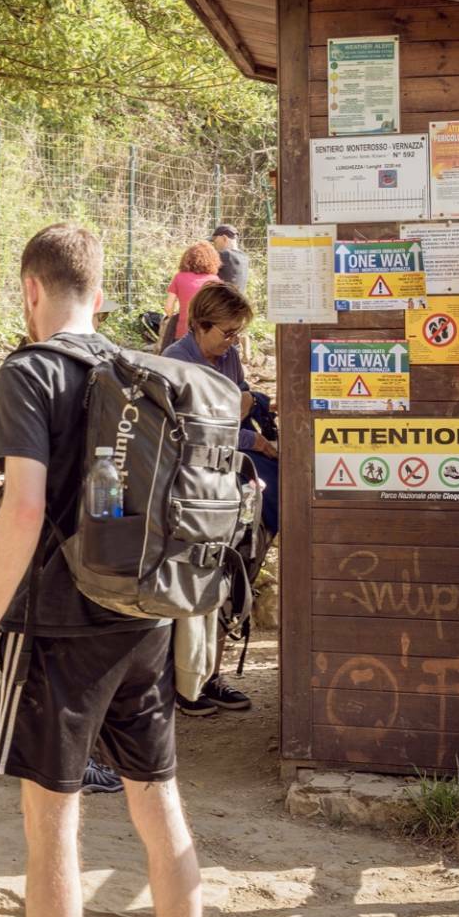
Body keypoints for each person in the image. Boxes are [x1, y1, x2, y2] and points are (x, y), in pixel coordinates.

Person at [0, 224, 214, 917]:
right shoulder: (132, 371)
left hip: (59, 628)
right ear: (97, 293)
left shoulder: (29, 372)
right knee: (157, 802)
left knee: (52, 825)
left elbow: (24, 509)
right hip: (141, 616)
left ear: (30, 289)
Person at [164, 280, 278, 719]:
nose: (233, 343)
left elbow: (239, 403)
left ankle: (211, 675)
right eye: (227, 333)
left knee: (233, 577)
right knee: (197, 582)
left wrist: (242, 411)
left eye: (237, 334)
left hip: (228, 479)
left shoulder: (226, 356)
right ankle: (186, 684)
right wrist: (253, 437)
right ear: (199, 325)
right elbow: (194, 430)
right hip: (194, 486)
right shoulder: (176, 362)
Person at [163, 242, 222, 341]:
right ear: (214, 261)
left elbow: (168, 308)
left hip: (183, 334)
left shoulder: (179, 277)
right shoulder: (215, 281)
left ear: (187, 259)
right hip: (207, 336)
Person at [211, 224, 249, 294]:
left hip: (223, 302)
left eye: (214, 240)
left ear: (224, 238)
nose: (213, 244)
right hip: (238, 301)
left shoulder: (225, 255)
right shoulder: (244, 257)